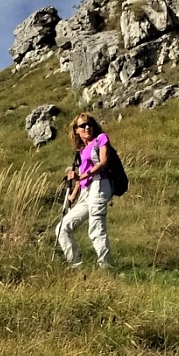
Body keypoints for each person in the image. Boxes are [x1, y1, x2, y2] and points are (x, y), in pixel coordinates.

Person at [56, 113, 114, 269]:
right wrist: (73, 195)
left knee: (95, 228)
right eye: (82, 125)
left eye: (89, 124)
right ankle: (76, 266)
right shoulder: (81, 152)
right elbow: (81, 179)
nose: (87, 127)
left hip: (100, 185)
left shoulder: (101, 139)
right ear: (76, 130)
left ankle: (106, 267)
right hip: (86, 191)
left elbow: (103, 163)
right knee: (62, 227)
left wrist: (80, 175)